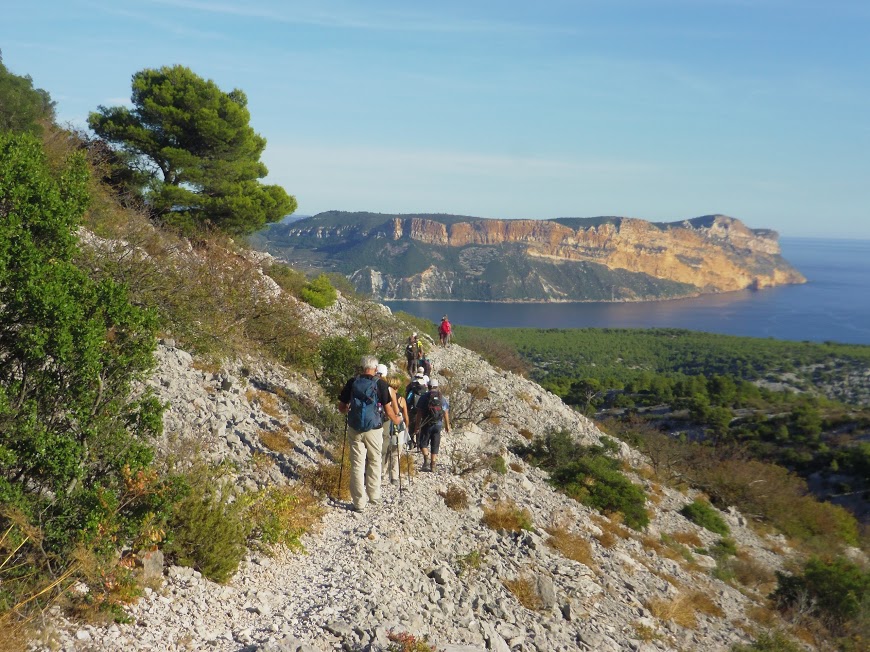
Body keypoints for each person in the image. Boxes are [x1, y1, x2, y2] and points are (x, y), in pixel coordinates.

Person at [337, 356, 400, 512]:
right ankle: (374, 496)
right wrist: (397, 420)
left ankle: (359, 503)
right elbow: (387, 409)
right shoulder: (381, 384)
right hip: (374, 429)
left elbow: (341, 407)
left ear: (362, 366)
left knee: (357, 464)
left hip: (355, 428)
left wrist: (348, 411)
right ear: (375, 368)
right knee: (374, 460)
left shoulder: (352, 382)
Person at [415, 377, 450, 473]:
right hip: (438, 424)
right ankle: (433, 465)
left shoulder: (424, 397)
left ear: (428, 386)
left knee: (423, 443)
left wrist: (417, 425)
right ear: (437, 387)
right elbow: (446, 412)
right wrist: (447, 425)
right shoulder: (441, 398)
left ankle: (426, 459)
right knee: (435, 444)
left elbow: (419, 413)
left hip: (427, 423)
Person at [382, 373, 410, 485]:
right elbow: (406, 416)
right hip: (398, 429)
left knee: (384, 452)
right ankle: (394, 477)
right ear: (397, 387)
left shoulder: (384, 398)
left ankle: (381, 473)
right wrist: (407, 428)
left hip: (386, 427)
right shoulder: (401, 400)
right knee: (396, 453)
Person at [404, 372, 428, 449]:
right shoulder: (425, 390)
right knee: (419, 427)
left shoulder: (412, 389)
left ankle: (411, 443)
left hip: (413, 411)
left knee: (411, 427)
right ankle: (418, 444)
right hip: (422, 412)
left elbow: (407, 400)